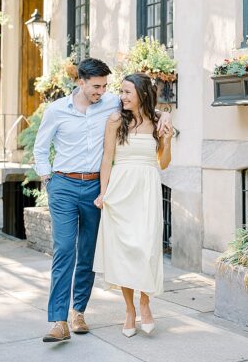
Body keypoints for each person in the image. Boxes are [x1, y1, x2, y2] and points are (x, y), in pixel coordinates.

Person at [32, 58, 173, 343]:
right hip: (64, 184)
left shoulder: (110, 104)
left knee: (87, 253)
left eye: (105, 86)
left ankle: (79, 313)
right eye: (96, 86)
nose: (102, 91)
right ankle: (59, 321)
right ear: (80, 82)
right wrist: (49, 179)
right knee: (64, 251)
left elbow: (143, 106)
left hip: (95, 184)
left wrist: (164, 115)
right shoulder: (57, 110)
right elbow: (40, 147)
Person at [92, 73, 173, 337]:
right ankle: (129, 310)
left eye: (128, 92)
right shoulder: (115, 120)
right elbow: (107, 159)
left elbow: (162, 163)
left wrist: (168, 140)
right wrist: (103, 193)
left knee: (146, 248)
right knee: (124, 252)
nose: (122, 97)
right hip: (120, 190)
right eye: (121, 92)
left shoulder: (158, 121)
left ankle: (146, 303)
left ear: (141, 93)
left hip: (147, 189)